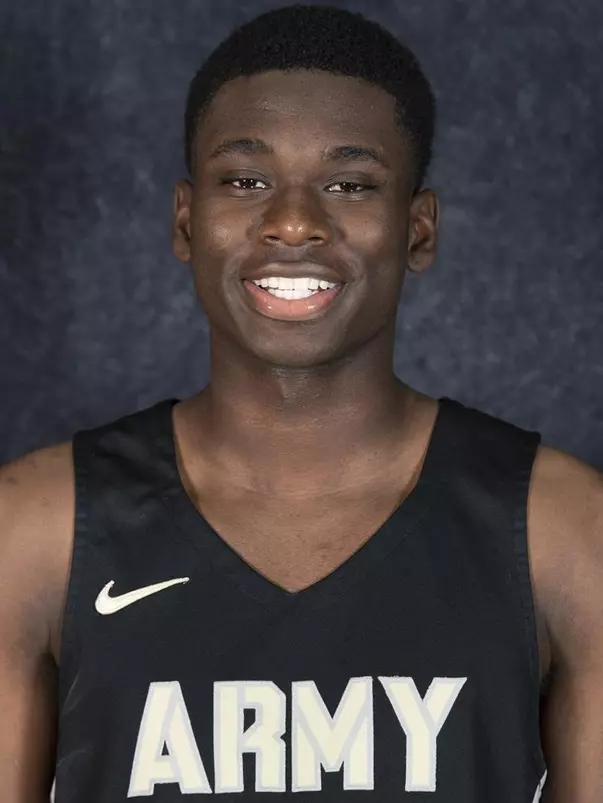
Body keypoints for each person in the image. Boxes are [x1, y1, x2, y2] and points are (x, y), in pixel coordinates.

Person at [0, 4, 601, 801]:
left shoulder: (561, 531)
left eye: (349, 184)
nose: (291, 222)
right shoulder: (38, 528)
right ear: (187, 220)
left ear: (417, 230)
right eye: (245, 181)